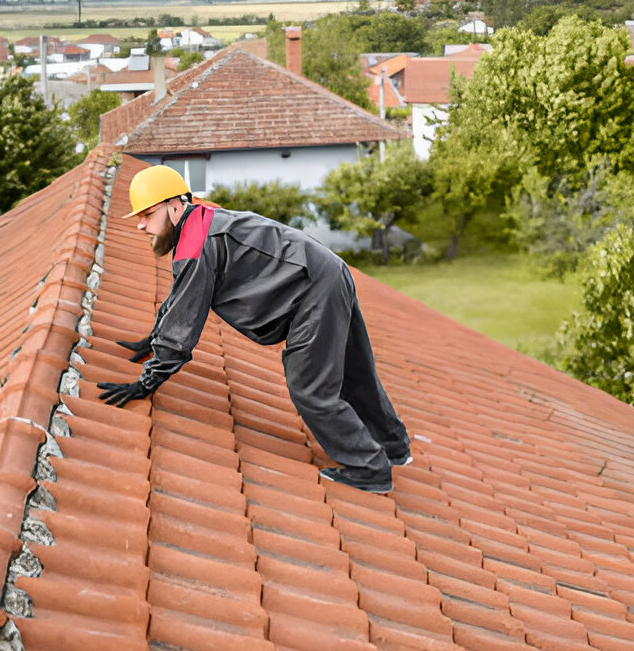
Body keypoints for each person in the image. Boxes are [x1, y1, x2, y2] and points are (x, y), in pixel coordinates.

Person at [97, 164, 411, 494]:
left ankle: (370, 468)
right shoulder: (201, 222)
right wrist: (152, 338)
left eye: (147, 214)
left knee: (310, 386)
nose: (140, 225)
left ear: (175, 206)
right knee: (353, 371)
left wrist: (147, 383)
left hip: (313, 289)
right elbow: (181, 296)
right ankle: (394, 447)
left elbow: (183, 327)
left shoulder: (196, 243)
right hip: (328, 271)